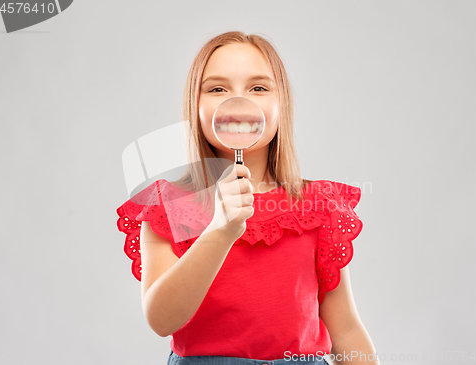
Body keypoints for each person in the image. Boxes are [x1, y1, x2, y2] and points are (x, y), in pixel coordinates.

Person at [116, 31, 379, 365]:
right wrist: (220, 231)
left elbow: (346, 332)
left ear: (281, 104)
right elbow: (162, 319)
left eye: (258, 88)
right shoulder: (167, 207)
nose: (238, 102)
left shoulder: (317, 206)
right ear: (195, 107)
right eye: (217, 89)